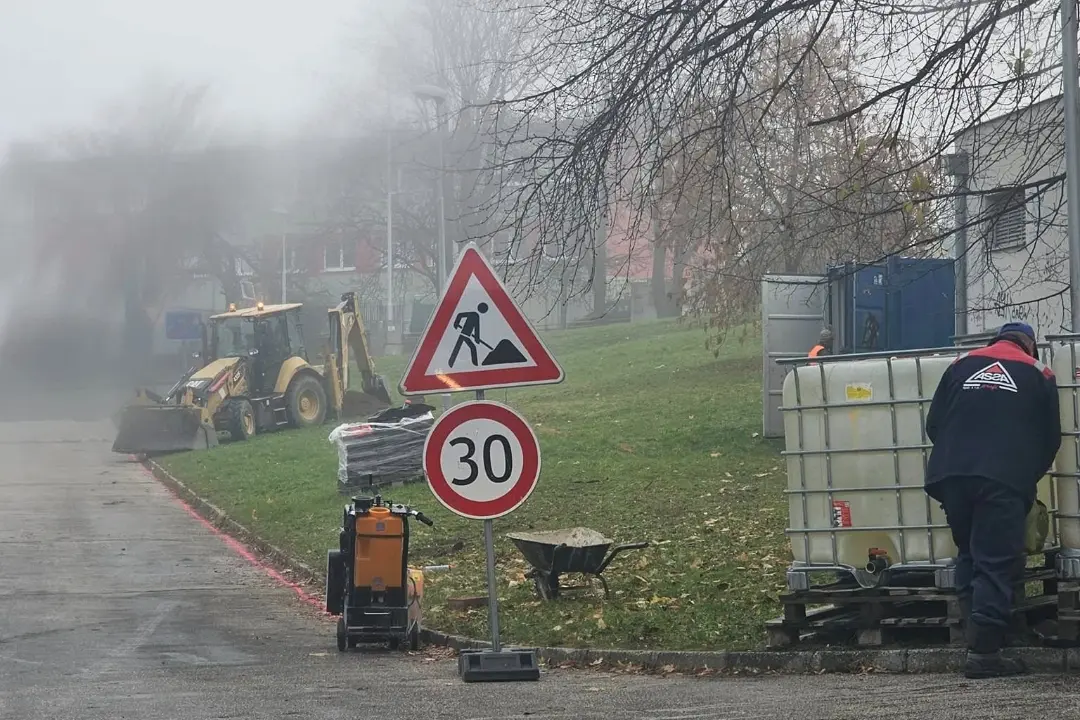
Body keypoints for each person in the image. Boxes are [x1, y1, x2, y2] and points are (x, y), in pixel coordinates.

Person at [924, 322, 1060, 679]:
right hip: (1002, 478)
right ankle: (984, 654)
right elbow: (1051, 439)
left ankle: (977, 635)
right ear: (1030, 345)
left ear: (995, 340)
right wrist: (1024, 475)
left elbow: (934, 424)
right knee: (994, 560)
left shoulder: (960, 365)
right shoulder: (1039, 373)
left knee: (970, 552)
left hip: (951, 475)